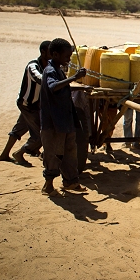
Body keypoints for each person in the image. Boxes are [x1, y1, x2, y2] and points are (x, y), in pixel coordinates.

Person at [40, 38, 88, 196]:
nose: (69, 58)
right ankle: (48, 186)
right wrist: (74, 77)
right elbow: (53, 87)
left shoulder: (59, 69)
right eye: (67, 56)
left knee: (70, 152)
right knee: (54, 153)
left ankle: (70, 182)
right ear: (55, 54)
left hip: (66, 120)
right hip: (54, 122)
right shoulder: (50, 71)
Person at [0, 40, 51, 166]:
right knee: (39, 136)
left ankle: (4, 154)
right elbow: (39, 78)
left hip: (34, 105)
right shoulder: (33, 66)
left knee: (19, 129)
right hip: (28, 105)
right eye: (51, 52)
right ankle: (19, 154)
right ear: (43, 52)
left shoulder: (49, 65)